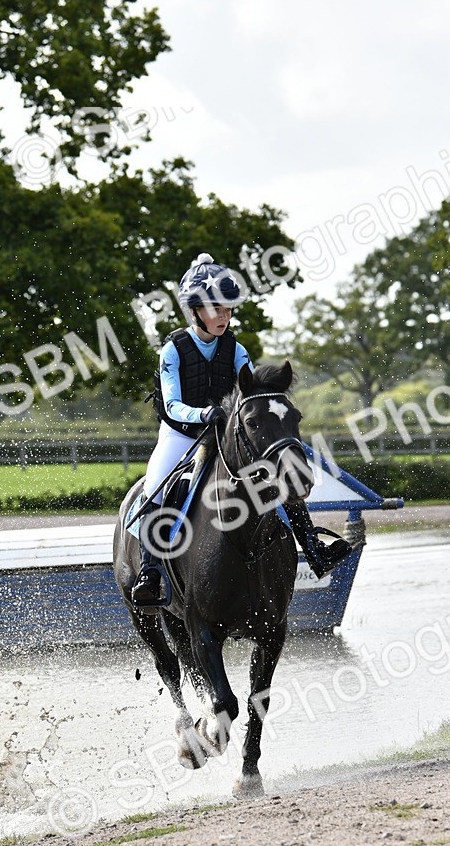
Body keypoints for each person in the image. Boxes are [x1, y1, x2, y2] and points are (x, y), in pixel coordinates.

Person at [131, 253, 352, 605]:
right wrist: (203, 414)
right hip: (180, 434)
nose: (224, 316)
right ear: (196, 310)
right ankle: (150, 571)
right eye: (217, 309)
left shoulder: (236, 349)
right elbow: (171, 405)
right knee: (156, 487)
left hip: (223, 433)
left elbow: (251, 393)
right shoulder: (173, 350)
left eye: (228, 310)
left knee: (276, 475)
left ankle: (313, 547)